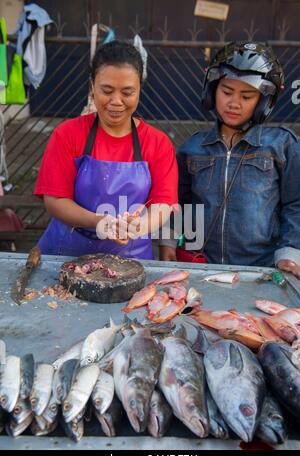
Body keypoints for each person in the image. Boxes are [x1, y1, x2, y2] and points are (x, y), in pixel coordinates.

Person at [160, 41, 300, 278]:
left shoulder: (283, 146)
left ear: (264, 102)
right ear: (212, 90)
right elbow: (179, 203)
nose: (234, 103)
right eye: (226, 92)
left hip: (262, 271)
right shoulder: (192, 148)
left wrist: (290, 253)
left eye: (247, 96)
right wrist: (169, 241)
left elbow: (296, 204)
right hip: (202, 268)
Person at [35, 40, 178, 259]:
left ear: (140, 88)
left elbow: (163, 204)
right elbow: (54, 200)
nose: (116, 101)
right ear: (92, 86)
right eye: (107, 90)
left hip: (131, 258)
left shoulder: (158, 143)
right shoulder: (67, 135)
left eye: (127, 92)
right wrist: (100, 222)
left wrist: (136, 227)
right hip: (65, 256)